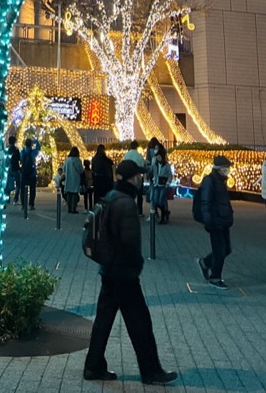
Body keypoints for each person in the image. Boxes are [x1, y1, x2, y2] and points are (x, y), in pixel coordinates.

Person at [83, 160, 177, 385]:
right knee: (140, 323)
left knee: (103, 321)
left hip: (109, 270)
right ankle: (151, 371)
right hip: (123, 273)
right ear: (131, 178)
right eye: (138, 176)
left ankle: (93, 366)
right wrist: (136, 266)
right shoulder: (125, 203)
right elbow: (130, 242)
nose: (140, 179)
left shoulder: (111, 196)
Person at [197, 154, 234, 289]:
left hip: (223, 220)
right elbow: (205, 201)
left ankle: (205, 263)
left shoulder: (221, 180)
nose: (228, 170)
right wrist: (208, 220)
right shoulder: (210, 180)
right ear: (219, 168)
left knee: (226, 249)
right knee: (220, 250)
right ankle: (215, 277)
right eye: (226, 168)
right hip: (215, 220)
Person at [150, 146, 172, 224]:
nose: (158, 158)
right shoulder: (155, 165)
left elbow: (170, 175)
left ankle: (163, 217)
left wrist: (168, 183)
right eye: (157, 157)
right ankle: (165, 212)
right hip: (156, 184)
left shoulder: (166, 165)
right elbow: (152, 172)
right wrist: (152, 178)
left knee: (160, 201)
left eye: (159, 157)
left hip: (163, 185)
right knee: (156, 201)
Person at [125, 140, 146, 215]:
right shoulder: (139, 155)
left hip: (128, 177)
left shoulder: (126, 155)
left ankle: (129, 210)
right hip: (138, 177)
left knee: (130, 195)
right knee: (139, 195)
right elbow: (142, 165)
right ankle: (139, 211)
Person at [20, 136, 40, 209]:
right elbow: (38, 148)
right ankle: (31, 204)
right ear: (31, 144)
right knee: (32, 190)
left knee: (22, 190)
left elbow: (20, 160)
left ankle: (23, 205)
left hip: (24, 173)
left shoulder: (22, 152)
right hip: (32, 173)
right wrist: (35, 141)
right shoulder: (33, 152)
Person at [63, 146, 85, 214]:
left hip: (68, 178)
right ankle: (73, 209)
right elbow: (81, 170)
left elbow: (64, 168)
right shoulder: (77, 160)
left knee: (69, 193)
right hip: (75, 178)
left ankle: (69, 208)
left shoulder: (67, 160)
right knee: (74, 194)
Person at [5, 134, 21, 204]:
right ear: (14, 142)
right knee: (18, 184)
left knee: (8, 184)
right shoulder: (16, 149)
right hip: (16, 168)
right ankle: (15, 199)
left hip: (8, 169)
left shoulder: (6, 149)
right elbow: (19, 159)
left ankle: (7, 198)